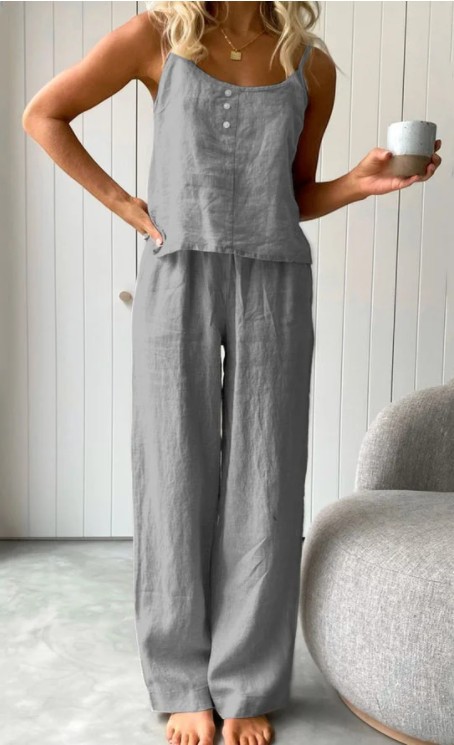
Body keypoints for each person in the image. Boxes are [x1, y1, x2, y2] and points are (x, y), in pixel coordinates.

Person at [22, 2, 442, 744]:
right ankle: (182, 677)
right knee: (173, 472)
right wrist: (125, 204)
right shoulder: (157, 37)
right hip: (177, 271)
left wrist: (359, 182)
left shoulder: (311, 65)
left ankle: (246, 678)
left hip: (275, 279)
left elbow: (295, 195)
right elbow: (44, 115)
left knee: (266, 476)